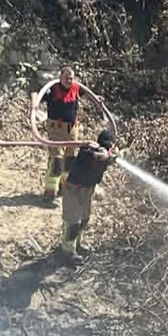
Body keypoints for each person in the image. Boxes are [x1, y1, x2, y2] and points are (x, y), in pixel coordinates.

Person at [38, 66, 105, 200]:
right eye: (66, 78)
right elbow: (36, 94)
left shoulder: (76, 88)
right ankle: (50, 191)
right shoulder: (53, 89)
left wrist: (97, 98)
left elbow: (88, 95)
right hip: (56, 129)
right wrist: (34, 104)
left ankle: (65, 187)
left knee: (69, 159)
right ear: (60, 78)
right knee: (57, 158)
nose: (69, 81)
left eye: (71, 78)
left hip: (72, 130)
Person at [59, 129, 117, 264]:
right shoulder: (87, 150)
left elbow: (106, 158)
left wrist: (113, 157)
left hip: (88, 190)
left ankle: (77, 244)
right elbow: (95, 156)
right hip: (72, 190)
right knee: (73, 221)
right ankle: (67, 251)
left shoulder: (107, 154)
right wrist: (105, 156)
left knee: (85, 218)